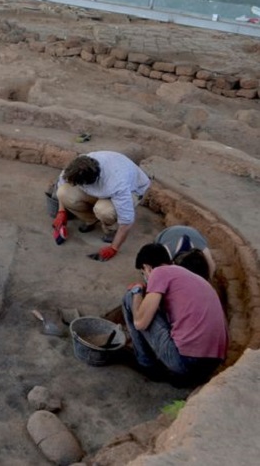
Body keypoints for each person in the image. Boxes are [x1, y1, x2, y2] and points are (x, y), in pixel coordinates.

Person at [121, 243, 228, 386]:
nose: (145, 277)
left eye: (143, 273)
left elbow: (140, 323)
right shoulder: (193, 278)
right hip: (210, 365)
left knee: (130, 297)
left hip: (186, 362)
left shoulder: (159, 272)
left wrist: (137, 290)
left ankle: (146, 364)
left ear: (147, 267)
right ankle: (180, 376)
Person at [51, 151, 151, 261]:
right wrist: (61, 212)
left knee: (103, 210)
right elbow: (62, 182)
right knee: (63, 192)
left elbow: (126, 221)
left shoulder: (117, 183)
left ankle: (111, 230)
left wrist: (114, 248)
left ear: (87, 182)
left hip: (133, 190)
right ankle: (91, 220)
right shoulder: (76, 166)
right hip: (102, 186)